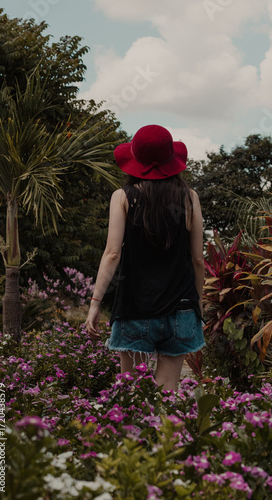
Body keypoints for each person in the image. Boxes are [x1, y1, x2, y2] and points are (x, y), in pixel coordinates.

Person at [85, 124, 205, 391]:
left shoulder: (123, 198)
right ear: (171, 160)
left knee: (131, 394)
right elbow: (198, 260)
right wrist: (195, 305)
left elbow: (113, 253)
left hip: (134, 310)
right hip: (181, 310)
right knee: (167, 395)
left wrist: (95, 304)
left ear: (135, 161)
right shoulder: (190, 198)